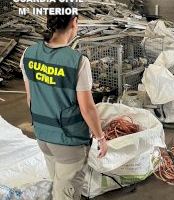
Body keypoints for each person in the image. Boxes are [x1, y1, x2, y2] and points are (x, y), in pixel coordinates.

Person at [20, 2, 108, 200]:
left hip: (43, 136)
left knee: (58, 185)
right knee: (65, 194)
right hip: (69, 141)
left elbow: (30, 99)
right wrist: (100, 137)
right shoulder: (77, 62)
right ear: (74, 22)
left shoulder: (28, 55)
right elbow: (87, 108)